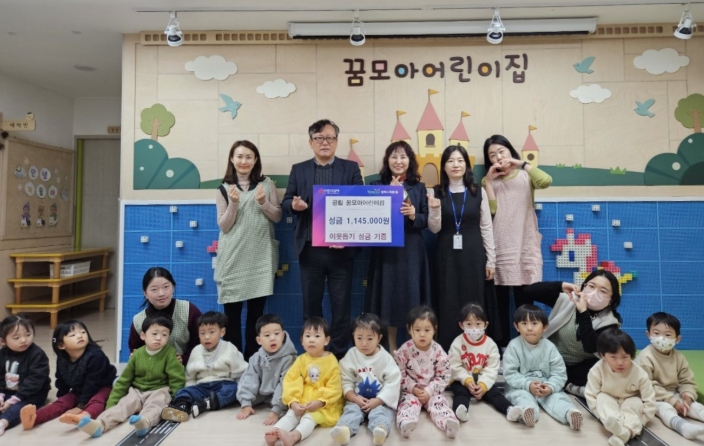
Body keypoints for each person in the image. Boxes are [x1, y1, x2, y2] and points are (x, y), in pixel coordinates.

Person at [282, 119, 364, 359]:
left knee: (341, 307)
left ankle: (339, 356)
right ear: (311, 142)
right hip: (310, 248)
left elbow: (361, 204)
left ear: (337, 141)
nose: (324, 142)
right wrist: (295, 205)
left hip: (341, 250)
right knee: (311, 306)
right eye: (319, 138)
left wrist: (348, 239)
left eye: (330, 138)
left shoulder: (350, 169)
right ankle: (313, 355)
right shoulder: (299, 169)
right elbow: (286, 202)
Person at [481, 135, 552, 347]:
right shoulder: (487, 181)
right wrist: (489, 181)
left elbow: (546, 181)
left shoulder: (525, 176)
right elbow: (492, 210)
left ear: (510, 151)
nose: (497, 157)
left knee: (525, 303)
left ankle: (528, 346)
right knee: (499, 305)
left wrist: (521, 163)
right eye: (492, 155)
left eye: (501, 151)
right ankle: (502, 349)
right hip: (499, 248)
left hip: (524, 247)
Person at [428, 145, 499, 350]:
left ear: (467, 165)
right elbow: (434, 229)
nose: (455, 165)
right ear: (444, 166)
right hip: (446, 255)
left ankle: (477, 348)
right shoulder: (436, 192)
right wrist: (434, 211)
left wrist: (491, 261)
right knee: (447, 299)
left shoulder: (478, 192)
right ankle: (447, 349)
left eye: (460, 160)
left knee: (474, 298)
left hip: (474, 254)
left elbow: (486, 227)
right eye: (450, 161)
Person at [215, 140, 281, 360]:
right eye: (239, 156)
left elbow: (277, 216)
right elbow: (224, 226)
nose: (244, 161)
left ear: (255, 160)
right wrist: (234, 203)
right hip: (232, 259)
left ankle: (253, 361)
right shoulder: (223, 188)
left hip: (260, 258)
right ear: (232, 159)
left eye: (248, 157)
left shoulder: (267, 185)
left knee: (256, 315)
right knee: (231, 317)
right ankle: (234, 362)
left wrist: (263, 202)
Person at [364, 141, 431, 351]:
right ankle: (391, 349)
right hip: (386, 252)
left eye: (403, 157)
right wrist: (388, 195)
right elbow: (369, 217)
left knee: (413, 299)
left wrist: (413, 215)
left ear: (410, 161)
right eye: (394, 156)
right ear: (387, 160)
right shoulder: (376, 185)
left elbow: (425, 219)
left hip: (412, 251)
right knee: (388, 300)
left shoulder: (419, 187)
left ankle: (414, 349)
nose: (398, 161)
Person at [78, 315, 186, 438]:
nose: (158, 338)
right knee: (123, 405)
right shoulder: (137, 354)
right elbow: (124, 380)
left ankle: (144, 422)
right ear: (143, 336)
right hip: (136, 391)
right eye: (154, 334)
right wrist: (111, 405)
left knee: (156, 405)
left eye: (164, 335)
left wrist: (177, 401)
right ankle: (100, 424)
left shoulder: (170, 354)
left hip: (159, 389)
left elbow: (177, 379)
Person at [521, 270, 622, 397]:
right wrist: (560, 285)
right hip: (552, 360)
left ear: (611, 300)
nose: (594, 292)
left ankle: (563, 383)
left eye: (603, 291)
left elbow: (590, 346)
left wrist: (583, 312)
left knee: (604, 370)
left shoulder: (610, 322)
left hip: (579, 367)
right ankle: (565, 384)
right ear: (583, 287)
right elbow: (528, 291)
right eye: (591, 286)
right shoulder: (567, 300)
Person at [20, 319, 117, 429]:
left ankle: (84, 417)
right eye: (73, 335)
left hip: (103, 386)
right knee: (62, 402)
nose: (80, 336)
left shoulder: (96, 356)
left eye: (83, 332)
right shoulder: (62, 359)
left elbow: (93, 383)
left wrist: (81, 406)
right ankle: (35, 418)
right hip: (79, 389)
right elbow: (61, 379)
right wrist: (62, 397)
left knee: (97, 401)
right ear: (61, 345)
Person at [264, 317, 343, 446]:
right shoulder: (301, 360)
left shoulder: (331, 361)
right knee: (291, 415)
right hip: (302, 400)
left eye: (317, 336)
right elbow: (291, 381)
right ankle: (275, 431)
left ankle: (294, 436)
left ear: (326, 340)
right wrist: (293, 402)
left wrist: (320, 402)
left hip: (323, 406)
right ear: (302, 341)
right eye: (307, 336)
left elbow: (334, 387)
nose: (311, 340)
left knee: (309, 418)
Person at [503, 305, 583, 430]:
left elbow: (559, 373)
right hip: (521, 385)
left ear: (545, 326)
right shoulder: (513, 346)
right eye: (524, 323)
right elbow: (510, 373)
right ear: (517, 326)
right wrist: (528, 385)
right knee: (521, 397)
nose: (529, 328)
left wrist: (550, 387)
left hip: (545, 384)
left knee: (558, 398)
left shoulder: (550, 347)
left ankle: (569, 413)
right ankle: (527, 412)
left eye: (534, 323)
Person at [161, 312, 247, 422]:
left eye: (212, 332)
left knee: (234, 389)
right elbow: (190, 376)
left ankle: (207, 403)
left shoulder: (229, 348)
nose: (206, 337)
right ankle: (181, 408)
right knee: (183, 392)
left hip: (222, 384)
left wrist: (243, 394)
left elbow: (241, 371)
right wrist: (189, 390)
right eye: (202, 333)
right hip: (202, 386)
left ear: (222, 332)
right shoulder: (196, 351)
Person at [331, 313, 401, 446]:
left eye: (370, 338)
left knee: (381, 413)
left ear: (379, 338)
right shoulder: (351, 355)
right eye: (359, 338)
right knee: (351, 411)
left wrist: (378, 400)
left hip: (380, 401)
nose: (364, 343)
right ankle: (345, 430)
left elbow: (393, 382)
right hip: (357, 399)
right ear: (353, 336)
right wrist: (353, 398)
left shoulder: (385, 358)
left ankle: (380, 430)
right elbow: (345, 380)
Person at [448, 302, 522, 423]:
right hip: (461, 380)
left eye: (478, 324)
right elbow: (454, 366)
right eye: (469, 324)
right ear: (461, 325)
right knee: (461, 394)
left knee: (495, 394)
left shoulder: (490, 345)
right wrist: (467, 381)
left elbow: (492, 369)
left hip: (483, 380)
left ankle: (509, 410)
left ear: (485, 324)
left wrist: (483, 385)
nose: (474, 328)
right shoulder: (457, 343)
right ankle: (460, 411)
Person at [635, 312, 704, 440]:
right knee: (665, 409)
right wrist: (673, 402)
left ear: (677, 339)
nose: (661, 338)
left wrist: (687, 396)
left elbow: (687, 380)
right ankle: (684, 427)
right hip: (652, 396)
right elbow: (647, 386)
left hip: (673, 392)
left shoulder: (679, 357)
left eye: (667, 335)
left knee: (695, 407)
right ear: (648, 334)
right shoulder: (645, 357)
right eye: (656, 333)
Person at [394, 306, 459, 439]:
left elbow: (443, 375)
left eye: (427, 330)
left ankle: (448, 424)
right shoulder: (404, 350)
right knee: (407, 405)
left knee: (440, 405)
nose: (422, 334)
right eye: (417, 330)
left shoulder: (438, 351)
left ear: (434, 330)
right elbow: (399, 373)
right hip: (411, 392)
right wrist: (412, 388)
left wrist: (429, 391)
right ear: (409, 329)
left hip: (433, 391)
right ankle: (405, 424)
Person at [585, 328, 657, 446]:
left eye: (625, 357)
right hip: (609, 396)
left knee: (636, 403)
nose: (620, 362)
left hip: (630, 398)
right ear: (603, 355)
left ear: (631, 355)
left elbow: (650, 401)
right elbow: (591, 396)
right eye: (613, 357)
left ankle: (625, 432)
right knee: (601, 398)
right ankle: (616, 426)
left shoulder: (639, 373)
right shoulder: (597, 370)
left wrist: (641, 421)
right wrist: (600, 416)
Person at [128, 267, 202, 365]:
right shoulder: (138, 321)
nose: (161, 293)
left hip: (189, 368)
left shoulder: (189, 310)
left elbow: (199, 342)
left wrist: (183, 359)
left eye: (166, 287)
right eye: (154, 289)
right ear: (145, 293)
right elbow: (136, 349)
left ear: (173, 287)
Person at [236, 314, 297, 425]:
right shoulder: (256, 358)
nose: (272, 338)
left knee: (294, 398)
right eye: (267, 335)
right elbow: (249, 379)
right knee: (237, 389)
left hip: (280, 396)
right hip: (261, 394)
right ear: (259, 340)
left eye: (276, 334)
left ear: (283, 336)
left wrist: (277, 410)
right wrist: (246, 403)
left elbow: (285, 384)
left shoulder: (289, 359)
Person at [0, 314, 50, 436]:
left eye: (28, 334)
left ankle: (3, 422)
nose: (23, 340)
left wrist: (13, 400)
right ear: (3, 341)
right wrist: (1, 395)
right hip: (9, 391)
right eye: (16, 337)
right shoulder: (2, 354)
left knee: (19, 408)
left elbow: (35, 380)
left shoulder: (37, 354)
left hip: (33, 393)